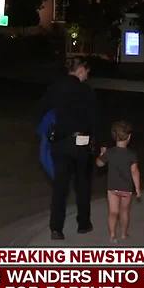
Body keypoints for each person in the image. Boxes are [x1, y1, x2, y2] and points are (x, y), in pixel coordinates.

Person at [39, 57, 100, 240]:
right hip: (81, 142)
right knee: (82, 184)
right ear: (80, 70)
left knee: (60, 187)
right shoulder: (87, 91)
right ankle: (83, 224)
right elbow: (95, 118)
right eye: (86, 71)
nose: (87, 75)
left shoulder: (55, 88)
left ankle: (56, 228)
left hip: (60, 143)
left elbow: (41, 111)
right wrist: (100, 144)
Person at [96, 121, 141, 243]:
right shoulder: (132, 154)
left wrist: (102, 154)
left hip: (112, 189)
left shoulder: (109, 153)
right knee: (124, 211)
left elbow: (99, 164)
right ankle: (124, 234)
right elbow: (135, 171)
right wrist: (137, 188)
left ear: (114, 137)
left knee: (113, 212)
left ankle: (112, 235)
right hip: (126, 189)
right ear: (129, 137)